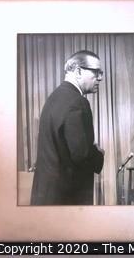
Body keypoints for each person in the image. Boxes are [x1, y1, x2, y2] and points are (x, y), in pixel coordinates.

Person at [31, 50, 105, 205]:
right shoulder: (78, 102)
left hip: (47, 194)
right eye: (96, 72)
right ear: (78, 71)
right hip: (67, 197)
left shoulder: (54, 97)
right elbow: (81, 155)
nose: (100, 78)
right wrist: (98, 154)